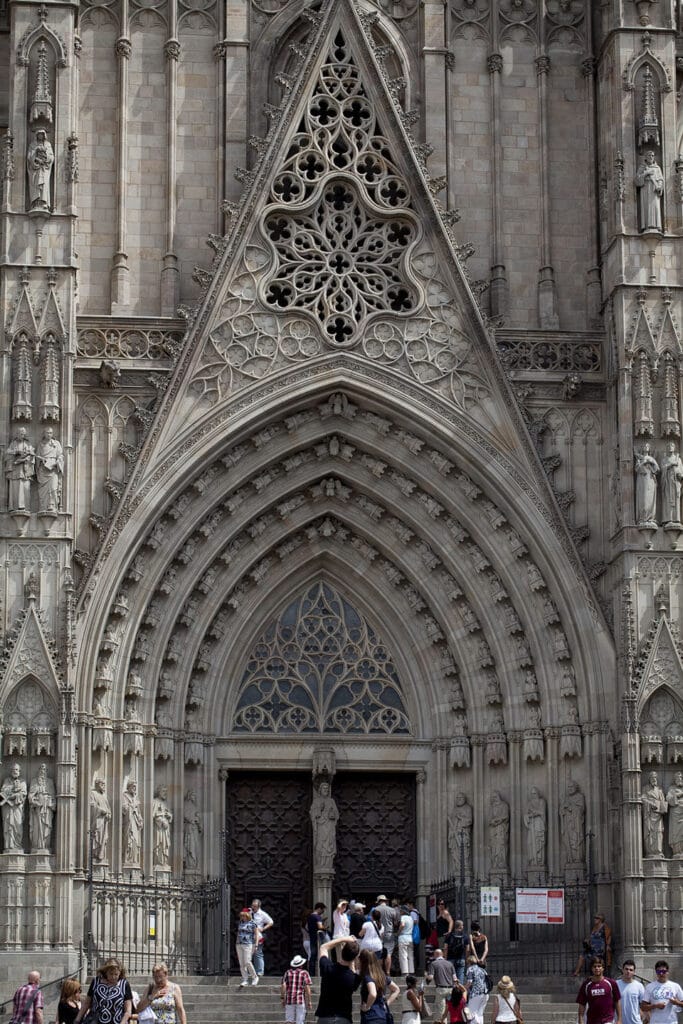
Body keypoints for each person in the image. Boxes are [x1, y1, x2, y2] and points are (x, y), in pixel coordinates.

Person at [314, 934, 361, 1024]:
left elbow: (323, 947)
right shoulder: (354, 979)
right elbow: (352, 970)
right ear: (354, 958)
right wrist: (353, 960)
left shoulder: (328, 968)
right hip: (343, 1018)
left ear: (342, 951)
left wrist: (343, 939)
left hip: (325, 1017)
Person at [75, 958, 133, 1024]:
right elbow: (86, 1003)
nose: (113, 977)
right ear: (106, 972)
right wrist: (77, 1020)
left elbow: (128, 1011)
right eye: (111, 974)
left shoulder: (124, 984)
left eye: (116, 974)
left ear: (120, 973)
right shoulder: (96, 982)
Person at [358, 948, 399, 1023]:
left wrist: (367, 1006)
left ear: (363, 961)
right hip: (382, 1016)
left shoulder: (368, 976)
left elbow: (373, 993)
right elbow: (396, 989)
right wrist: (387, 1003)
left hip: (371, 1017)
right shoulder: (382, 976)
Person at [576, 957, 621, 1024]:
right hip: (592, 1021)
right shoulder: (586, 985)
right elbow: (582, 1004)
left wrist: (619, 1019)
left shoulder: (611, 983)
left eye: (599, 966)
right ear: (591, 969)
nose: (597, 968)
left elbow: (617, 1001)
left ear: (603, 968)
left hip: (608, 1021)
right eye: (594, 966)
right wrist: (580, 1020)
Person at [310, 780, 339, 873]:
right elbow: (313, 814)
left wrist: (333, 815)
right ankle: (320, 865)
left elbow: (336, 814)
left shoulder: (331, 801)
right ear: (320, 790)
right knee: (321, 845)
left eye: (327, 788)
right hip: (321, 827)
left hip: (329, 826)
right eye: (324, 788)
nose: (326, 790)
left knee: (329, 844)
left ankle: (328, 864)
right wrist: (319, 810)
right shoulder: (316, 801)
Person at [5, 428, 35, 512]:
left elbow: (32, 456)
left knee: (25, 487)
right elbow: (7, 456)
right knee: (15, 488)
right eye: (21, 434)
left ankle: (25, 506)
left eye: (24, 434)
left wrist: (27, 458)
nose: (22, 436)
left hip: (25, 471)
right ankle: (14, 507)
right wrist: (15, 453)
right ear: (17, 434)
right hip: (15, 471)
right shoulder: (13, 444)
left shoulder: (28, 444)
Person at [28, 764, 56, 852]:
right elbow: (30, 796)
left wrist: (49, 802)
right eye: (41, 769)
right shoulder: (34, 781)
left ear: (47, 771)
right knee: (36, 827)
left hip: (47, 809)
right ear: (39, 770)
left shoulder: (50, 782)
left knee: (46, 827)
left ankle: (45, 846)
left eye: (45, 769)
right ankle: (36, 846)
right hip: (37, 809)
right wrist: (35, 802)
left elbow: (53, 796)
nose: (43, 771)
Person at [35, 428, 64, 513]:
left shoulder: (56, 444)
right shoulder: (40, 444)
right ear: (44, 434)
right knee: (43, 491)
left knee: (53, 488)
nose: (49, 434)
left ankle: (53, 506)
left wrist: (57, 462)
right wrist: (41, 460)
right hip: (43, 470)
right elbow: (37, 456)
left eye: (51, 433)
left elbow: (61, 456)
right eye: (47, 433)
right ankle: (43, 507)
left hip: (53, 469)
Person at [635, 149, 664, 233]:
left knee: (655, 207)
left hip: (654, 190)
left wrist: (659, 186)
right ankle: (647, 226)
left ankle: (656, 226)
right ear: (646, 157)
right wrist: (646, 173)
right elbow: (637, 180)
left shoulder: (657, 168)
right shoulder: (642, 167)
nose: (651, 157)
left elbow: (661, 179)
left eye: (652, 155)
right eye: (649, 155)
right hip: (645, 188)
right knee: (646, 207)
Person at [426, 948, 458, 1023]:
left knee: (440, 1009)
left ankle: (442, 1022)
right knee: (451, 1008)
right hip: (451, 989)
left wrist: (426, 979)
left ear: (436, 955)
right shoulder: (450, 964)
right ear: (442, 954)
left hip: (441, 989)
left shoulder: (434, 963)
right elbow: (455, 978)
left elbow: (431, 977)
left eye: (434, 954)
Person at [2, 762, 27, 852]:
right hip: (8, 808)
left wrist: (14, 794)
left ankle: (17, 845)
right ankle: (9, 846)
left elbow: (23, 794)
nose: (14, 771)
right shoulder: (6, 781)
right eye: (13, 769)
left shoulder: (23, 782)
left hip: (17, 808)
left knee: (17, 825)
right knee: (8, 826)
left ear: (19, 771)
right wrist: (13, 791)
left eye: (16, 769)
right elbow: (3, 792)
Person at [27, 129, 54, 211]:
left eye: (42, 134)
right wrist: (35, 158)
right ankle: (36, 203)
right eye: (39, 134)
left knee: (44, 185)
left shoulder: (48, 145)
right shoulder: (32, 145)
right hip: (35, 169)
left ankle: (44, 202)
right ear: (36, 135)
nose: (40, 136)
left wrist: (46, 159)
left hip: (44, 168)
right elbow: (29, 157)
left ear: (44, 135)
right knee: (35, 186)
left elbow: (51, 156)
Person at [280, 955, 312, 1024]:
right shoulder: (304, 973)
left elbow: (283, 985)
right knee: (300, 1021)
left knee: (289, 1020)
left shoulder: (287, 972)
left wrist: (282, 998)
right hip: (300, 1000)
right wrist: (309, 1001)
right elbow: (307, 988)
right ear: (301, 965)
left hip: (289, 999)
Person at [642, 771, 667, 857]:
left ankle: (658, 851)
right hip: (649, 815)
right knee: (649, 833)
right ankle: (650, 852)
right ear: (649, 779)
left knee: (659, 832)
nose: (654, 779)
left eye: (655, 778)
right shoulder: (645, 788)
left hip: (658, 816)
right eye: (652, 778)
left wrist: (662, 806)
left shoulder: (659, 790)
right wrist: (650, 803)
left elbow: (663, 801)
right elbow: (642, 798)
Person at [374, 895, 399, 976]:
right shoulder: (392, 910)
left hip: (378, 933)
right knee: (388, 953)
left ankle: (380, 972)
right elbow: (396, 922)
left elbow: (371, 920)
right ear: (386, 901)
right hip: (389, 933)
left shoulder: (375, 909)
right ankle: (387, 972)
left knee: (379, 953)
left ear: (379, 901)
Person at [635, 444, 659, 526]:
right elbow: (637, 469)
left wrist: (651, 462)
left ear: (649, 449)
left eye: (648, 446)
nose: (646, 448)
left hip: (651, 480)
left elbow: (657, 469)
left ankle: (650, 518)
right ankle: (643, 518)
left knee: (650, 498)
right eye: (644, 446)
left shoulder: (652, 459)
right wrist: (643, 462)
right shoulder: (639, 459)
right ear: (642, 448)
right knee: (643, 498)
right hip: (642, 480)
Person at [236, 908, 260, 987]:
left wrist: (256, 945)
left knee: (247, 961)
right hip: (239, 944)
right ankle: (245, 979)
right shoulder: (240, 923)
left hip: (248, 944)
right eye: (241, 916)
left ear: (248, 915)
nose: (242, 917)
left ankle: (255, 977)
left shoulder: (253, 923)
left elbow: (256, 935)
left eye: (244, 916)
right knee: (242, 963)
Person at [90, 777, 111, 863]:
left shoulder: (104, 796)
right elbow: (91, 805)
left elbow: (108, 809)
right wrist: (100, 810)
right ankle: (94, 854)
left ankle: (100, 854)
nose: (103, 786)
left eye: (104, 784)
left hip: (104, 821)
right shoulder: (93, 793)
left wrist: (109, 814)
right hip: (97, 820)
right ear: (97, 784)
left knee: (103, 838)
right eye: (102, 784)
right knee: (96, 837)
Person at [661, 442, 683, 525]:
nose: (670, 447)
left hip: (676, 482)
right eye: (668, 446)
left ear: (674, 448)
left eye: (672, 446)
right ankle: (668, 519)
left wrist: (680, 474)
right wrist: (671, 465)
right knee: (668, 500)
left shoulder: (678, 459)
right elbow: (662, 468)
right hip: (668, 481)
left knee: (676, 499)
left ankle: (677, 519)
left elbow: (681, 470)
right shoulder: (664, 459)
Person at [122, 779, 143, 866]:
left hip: (135, 823)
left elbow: (139, 812)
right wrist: (132, 806)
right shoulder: (124, 796)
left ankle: (134, 859)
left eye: (135, 787)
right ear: (129, 787)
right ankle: (127, 859)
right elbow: (124, 809)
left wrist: (140, 820)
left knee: (135, 841)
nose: (135, 789)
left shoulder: (135, 798)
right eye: (133, 786)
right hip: (129, 823)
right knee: (129, 840)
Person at [523, 787, 546, 867]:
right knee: (530, 842)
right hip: (531, 825)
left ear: (538, 793)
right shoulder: (529, 803)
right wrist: (528, 816)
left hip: (539, 824)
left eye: (535, 793)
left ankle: (539, 860)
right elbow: (526, 814)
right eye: (532, 794)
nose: (533, 795)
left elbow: (542, 812)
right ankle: (533, 860)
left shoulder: (541, 801)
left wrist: (534, 812)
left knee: (538, 842)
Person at [251, 897, 274, 976]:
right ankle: (252, 972)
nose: (253, 907)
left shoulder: (262, 914)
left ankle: (260, 972)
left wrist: (263, 929)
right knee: (249, 954)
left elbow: (271, 922)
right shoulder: (249, 912)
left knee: (258, 953)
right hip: (248, 936)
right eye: (252, 905)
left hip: (258, 936)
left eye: (255, 906)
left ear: (258, 906)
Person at [465, 954, 489, 1024]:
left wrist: (463, 989)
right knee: (480, 1014)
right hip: (485, 994)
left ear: (469, 962)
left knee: (471, 1013)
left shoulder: (470, 969)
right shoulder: (482, 969)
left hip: (475, 994)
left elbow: (469, 982)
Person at [444, 920, 470, 985]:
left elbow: (445, 948)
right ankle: (459, 992)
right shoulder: (465, 936)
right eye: (462, 925)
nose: (463, 926)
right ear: (460, 926)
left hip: (450, 959)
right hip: (461, 959)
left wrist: (445, 958)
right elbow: (467, 949)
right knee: (460, 977)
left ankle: (452, 992)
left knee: (450, 977)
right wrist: (466, 959)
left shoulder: (449, 936)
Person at [307, 902, 327, 976]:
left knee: (313, 956)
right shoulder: (317, 917)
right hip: (318, 938)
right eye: (322, 910)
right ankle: (321, 973)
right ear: (319, 908)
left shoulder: (310, 916)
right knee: (321, 955)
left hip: (312, 938)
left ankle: (311, 973)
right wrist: (325, 928)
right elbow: (319, 927)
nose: (322, 912)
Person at [666, 771, 683, 855]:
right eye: (677, 777)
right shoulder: (671, 788)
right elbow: (668, 799)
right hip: (676, 813)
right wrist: (677, 795)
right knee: (676, 833)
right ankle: (677, 851)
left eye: (680, 777)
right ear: (675, 779)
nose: (679, 779)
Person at [397, 905, 415, 974]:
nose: (400, 912)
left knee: (403, 955)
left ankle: (405, 972)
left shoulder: (403, 917)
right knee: (410, 955)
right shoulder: (411, 918)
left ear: (403, 911)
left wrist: (398, 932)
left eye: (401, 910)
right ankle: (411, 971)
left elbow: (402, 925)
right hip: (410, 937)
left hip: (403, 937)